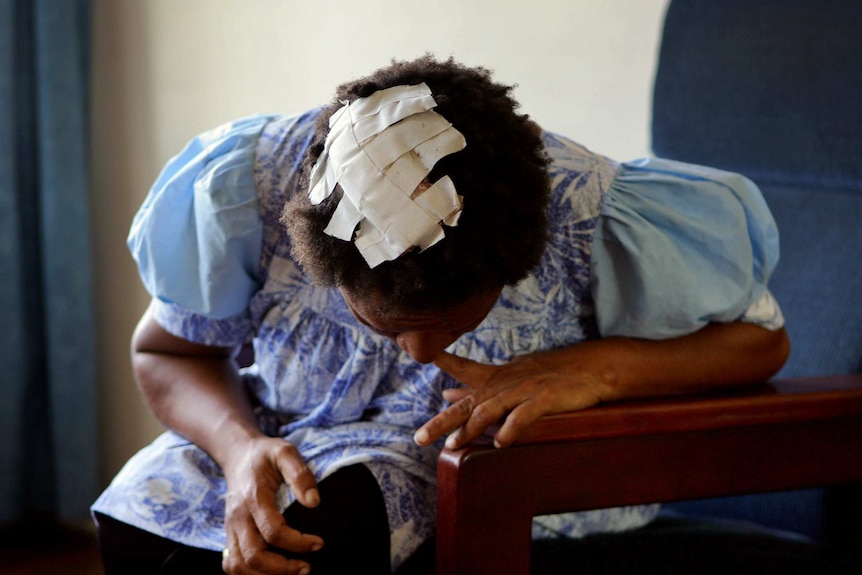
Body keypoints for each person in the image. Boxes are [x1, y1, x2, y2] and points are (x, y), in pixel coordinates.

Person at [91, 55, 790, 575]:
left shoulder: (589, 210)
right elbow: (167, 352)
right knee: (144, 520)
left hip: (482, 479)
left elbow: (760, 343)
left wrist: (590, 368)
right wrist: (239, 449)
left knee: (316, 533)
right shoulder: (254, 188)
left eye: (454, 320)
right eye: (389, 325)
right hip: (272, 434)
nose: (421, 352)